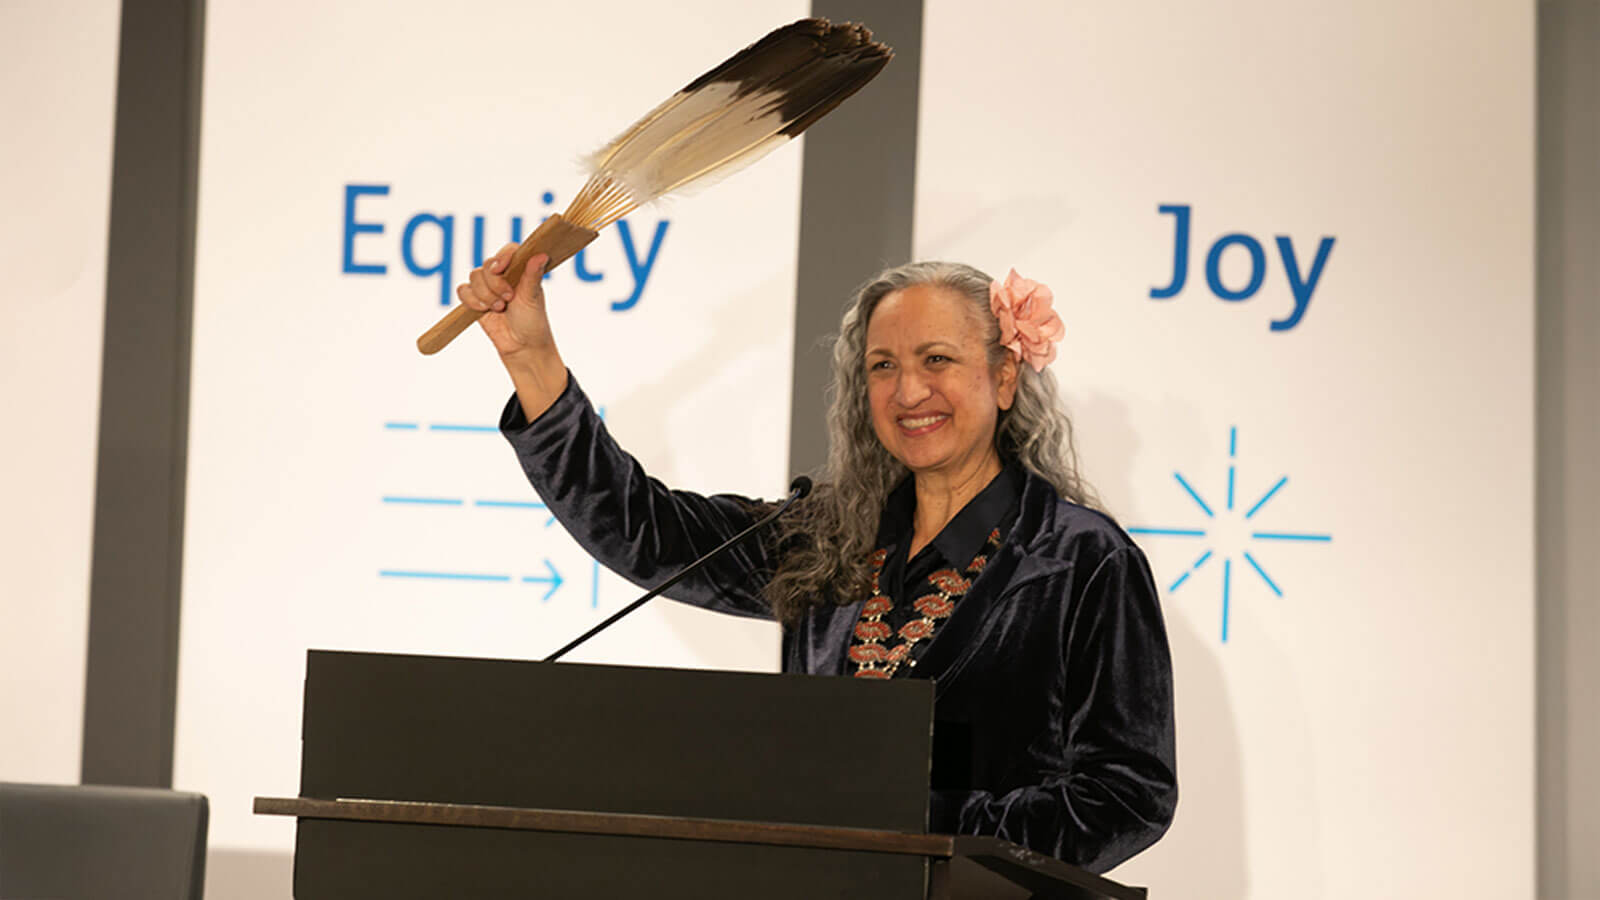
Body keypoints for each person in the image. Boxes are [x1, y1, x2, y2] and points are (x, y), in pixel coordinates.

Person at [456, 247, 1177, 873]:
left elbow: (1128, 795)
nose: (909, 391)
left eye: (938, 361)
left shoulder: (1081, 559)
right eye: (883, 366)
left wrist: (919, 827)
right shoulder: (830, 538)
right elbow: (643, 528)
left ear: (1006, 377)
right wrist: (531, 357)